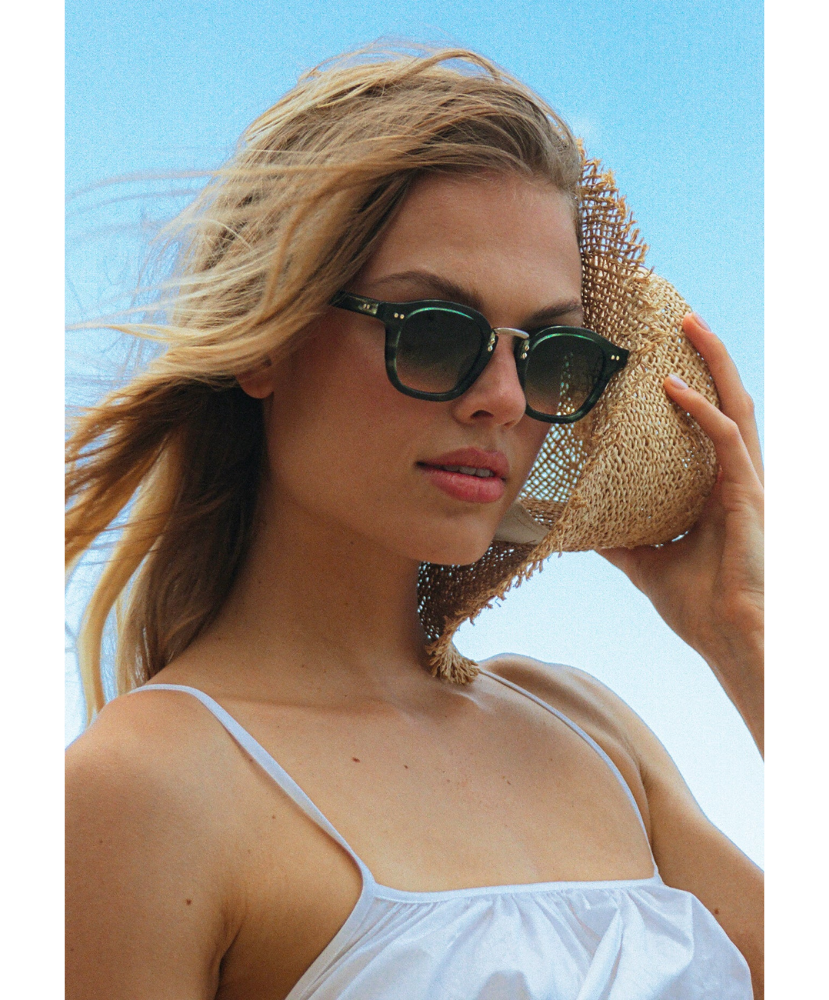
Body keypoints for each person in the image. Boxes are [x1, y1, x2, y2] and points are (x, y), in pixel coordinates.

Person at [64, 47, 764, 999]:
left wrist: (744, 637)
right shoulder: (144, 789)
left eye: (550, 353)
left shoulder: (588, 730)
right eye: (433, 329)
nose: (504, 398)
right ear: (268, 341)